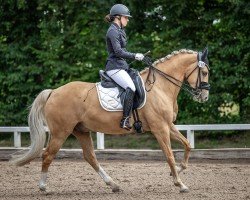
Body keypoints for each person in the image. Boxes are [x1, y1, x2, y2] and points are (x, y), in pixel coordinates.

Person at [104, 4, 144, 130]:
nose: (127, 20)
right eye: (126, 17)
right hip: (114, 67)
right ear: (118, 17)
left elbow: (122, 51)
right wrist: (134, 56)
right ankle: (125, 119)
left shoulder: (120, 30)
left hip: (121, 66)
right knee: (130, 87)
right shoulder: (112, 31)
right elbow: (118, 52)